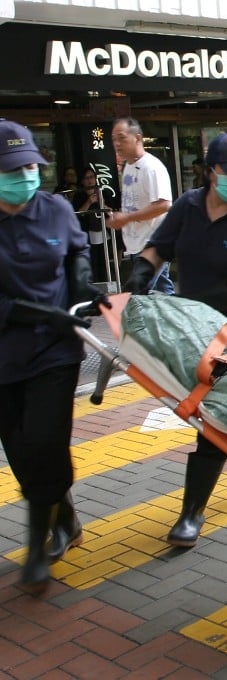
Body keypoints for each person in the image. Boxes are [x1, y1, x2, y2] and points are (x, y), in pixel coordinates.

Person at [123, 132, 227, 544]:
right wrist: (144, 270)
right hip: (194, 328)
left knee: (215, 413)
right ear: (212, 171)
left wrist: (209, 298)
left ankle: (191, 513)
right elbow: (160, 246)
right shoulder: (189, 206)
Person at [0, 120, 106, 593]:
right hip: (4, 354)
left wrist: (82, 281)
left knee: (44, 440)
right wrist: (32, 311)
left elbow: (76, 252)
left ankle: (38, 546)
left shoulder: (56, 209)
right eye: (13, 169)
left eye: (29, 166)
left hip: (55, 352)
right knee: (20, 452)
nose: (25, 175)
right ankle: (64, 515)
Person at [107, 117, 175, 295]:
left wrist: (127, 218)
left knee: (138, 293)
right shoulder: (127, 166)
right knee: (163, 291)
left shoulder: (151, 167)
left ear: (138, 138)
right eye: (114, 139)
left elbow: (163, 204)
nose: (117, 144)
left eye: (121, 138)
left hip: (152, 243)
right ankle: (179, 319)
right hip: (136, 243)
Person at [76, 167, 113, 281]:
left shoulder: (103, 192)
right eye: (86, 178)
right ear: (82, 181)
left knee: (104, 260)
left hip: (102, 231)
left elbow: (111, 211)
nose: (89, 180)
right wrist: (89, 202)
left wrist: (103, 204)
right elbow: (77, 214)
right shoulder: (79, 195)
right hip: (88, 232)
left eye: (92, 177)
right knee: (92, 261)